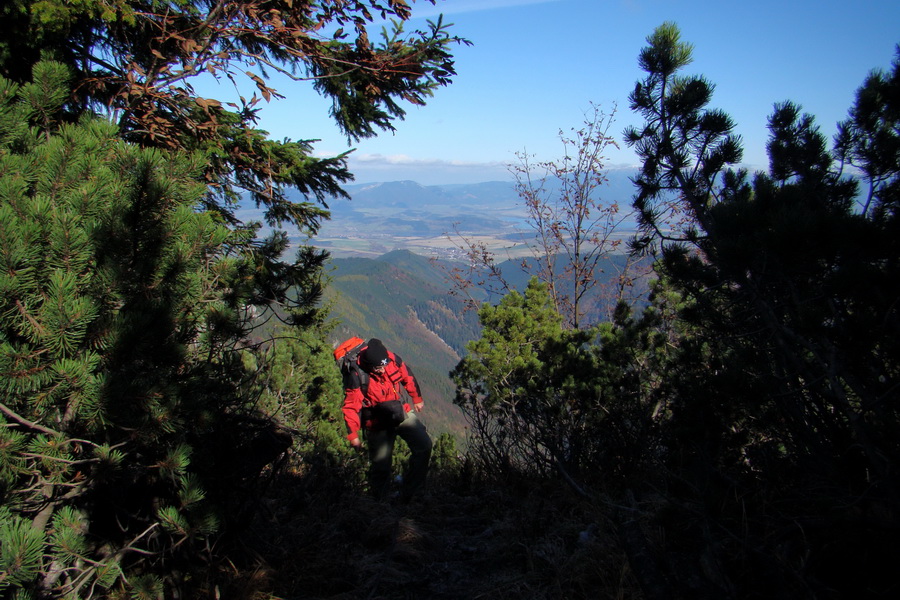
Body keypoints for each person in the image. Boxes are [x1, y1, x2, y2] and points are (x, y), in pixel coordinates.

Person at [341, 338, 432, 502]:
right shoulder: (357, 375)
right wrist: (353, 435)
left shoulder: (391, 359)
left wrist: (416, 398)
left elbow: (407, 376)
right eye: (378, 368)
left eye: (384, 365)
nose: (383, 370)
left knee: (424, 445)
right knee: (381, 467)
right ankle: (380, 504)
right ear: (369, 365)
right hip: (376, 422)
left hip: (399, 411)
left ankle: (410, 493)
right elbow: (350, 407)